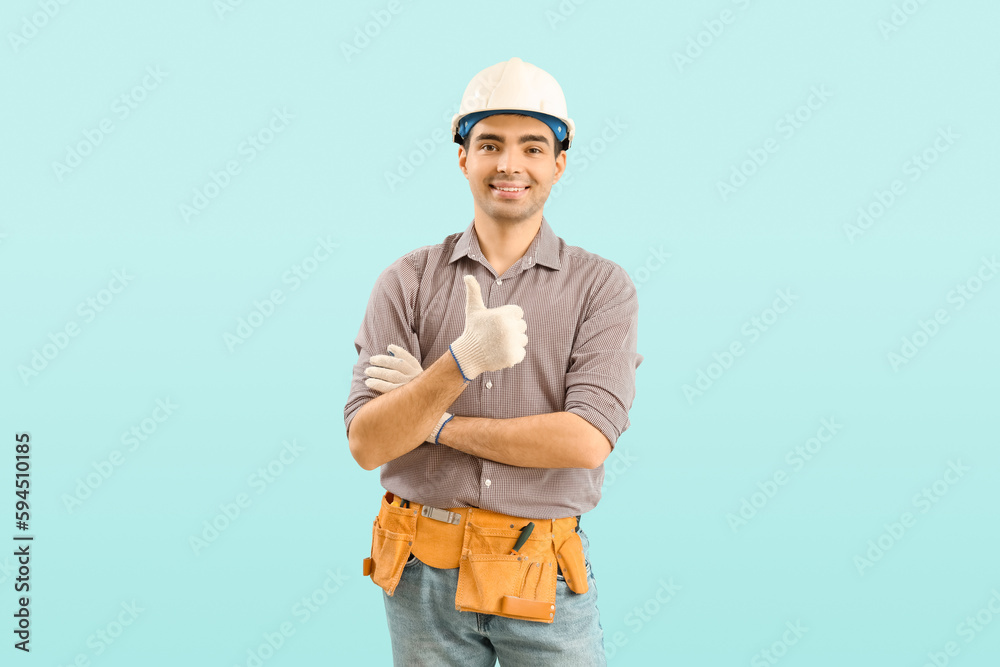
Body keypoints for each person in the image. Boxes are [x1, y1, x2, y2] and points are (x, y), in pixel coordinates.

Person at [344, 56, 642, 666]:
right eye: (490, 144)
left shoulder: (603, 288)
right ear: (463, 156)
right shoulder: (406, 282)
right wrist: (460, 362)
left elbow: (585, 440)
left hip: (543, 574)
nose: (510, 165)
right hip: (421, 573)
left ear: (559, 162)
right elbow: (369, 443)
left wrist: (432, 423)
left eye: (533, 147)